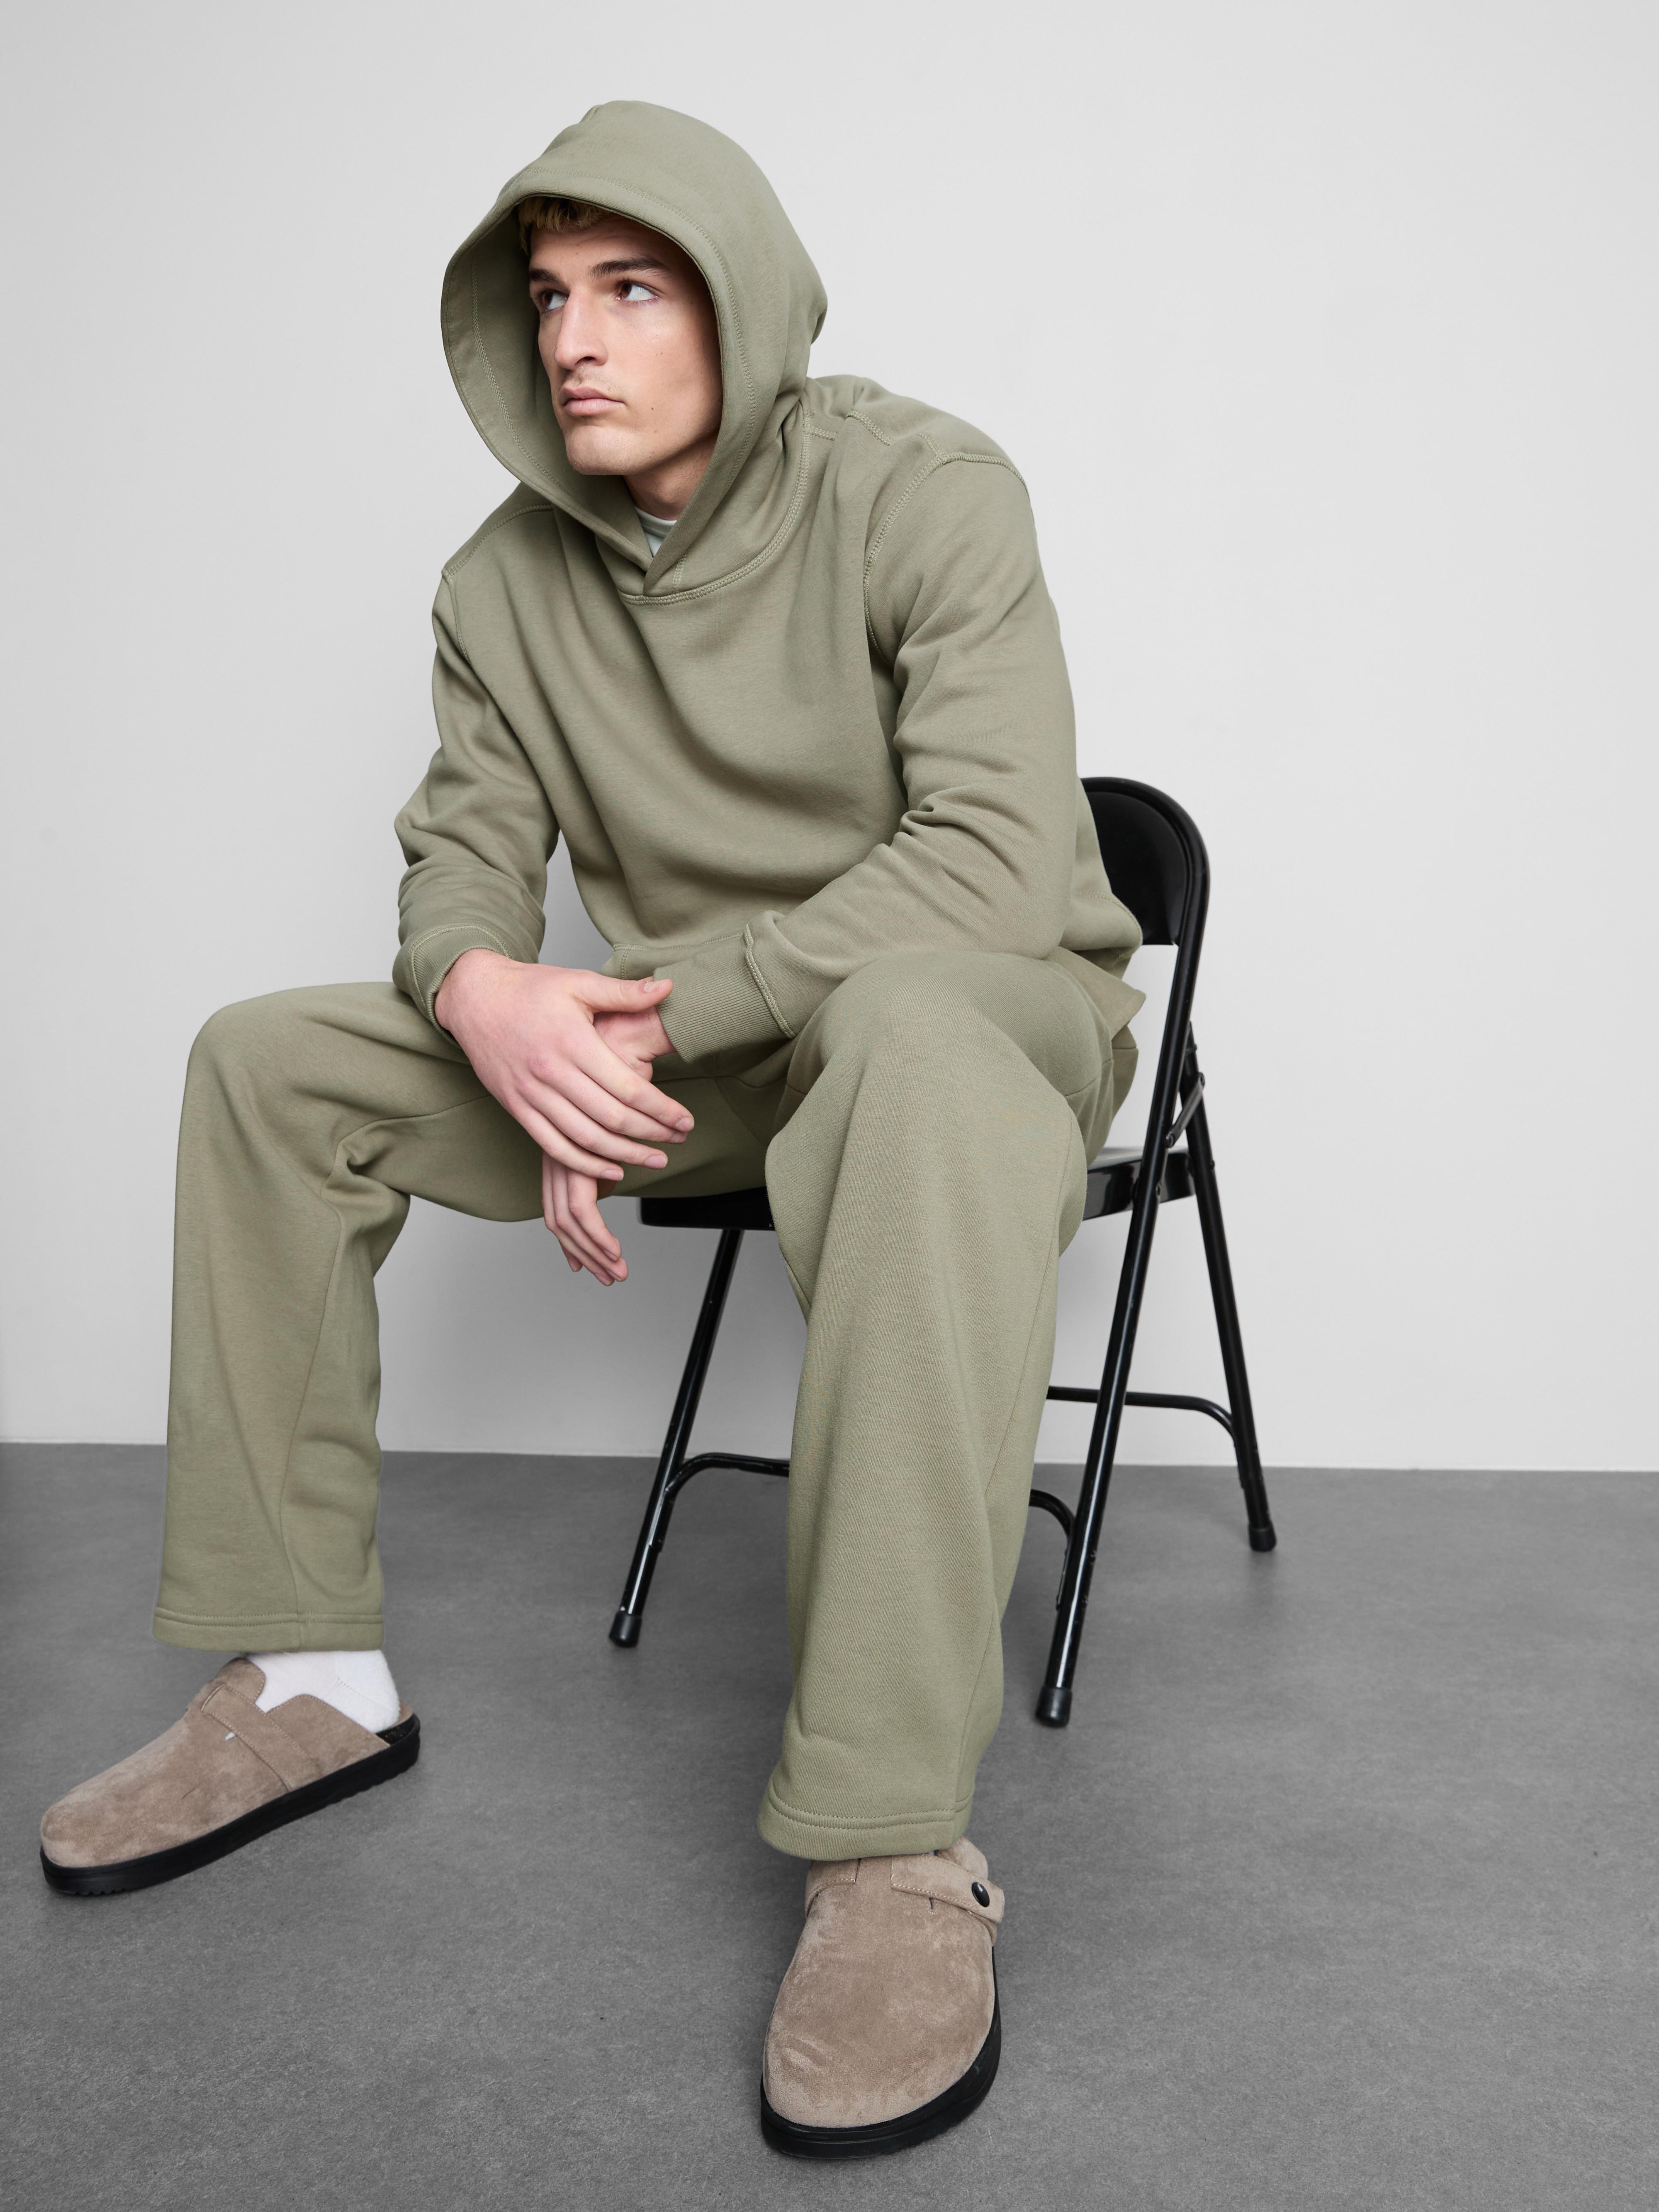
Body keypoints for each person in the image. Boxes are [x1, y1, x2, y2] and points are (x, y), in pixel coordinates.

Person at [38, 102, 1143, 2157]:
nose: (572, 338)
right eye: (547, 296)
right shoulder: (502, 583)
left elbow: (994, 857)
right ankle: (311, 1679)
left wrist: (644, 1010)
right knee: (268, 1063)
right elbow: (463, 860)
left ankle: (893, 1843)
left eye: (630, 287)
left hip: (971, 1014)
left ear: (742, 296)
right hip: (701, 1049)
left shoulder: (924, 487)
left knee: (903, 1031)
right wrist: (489, 994)